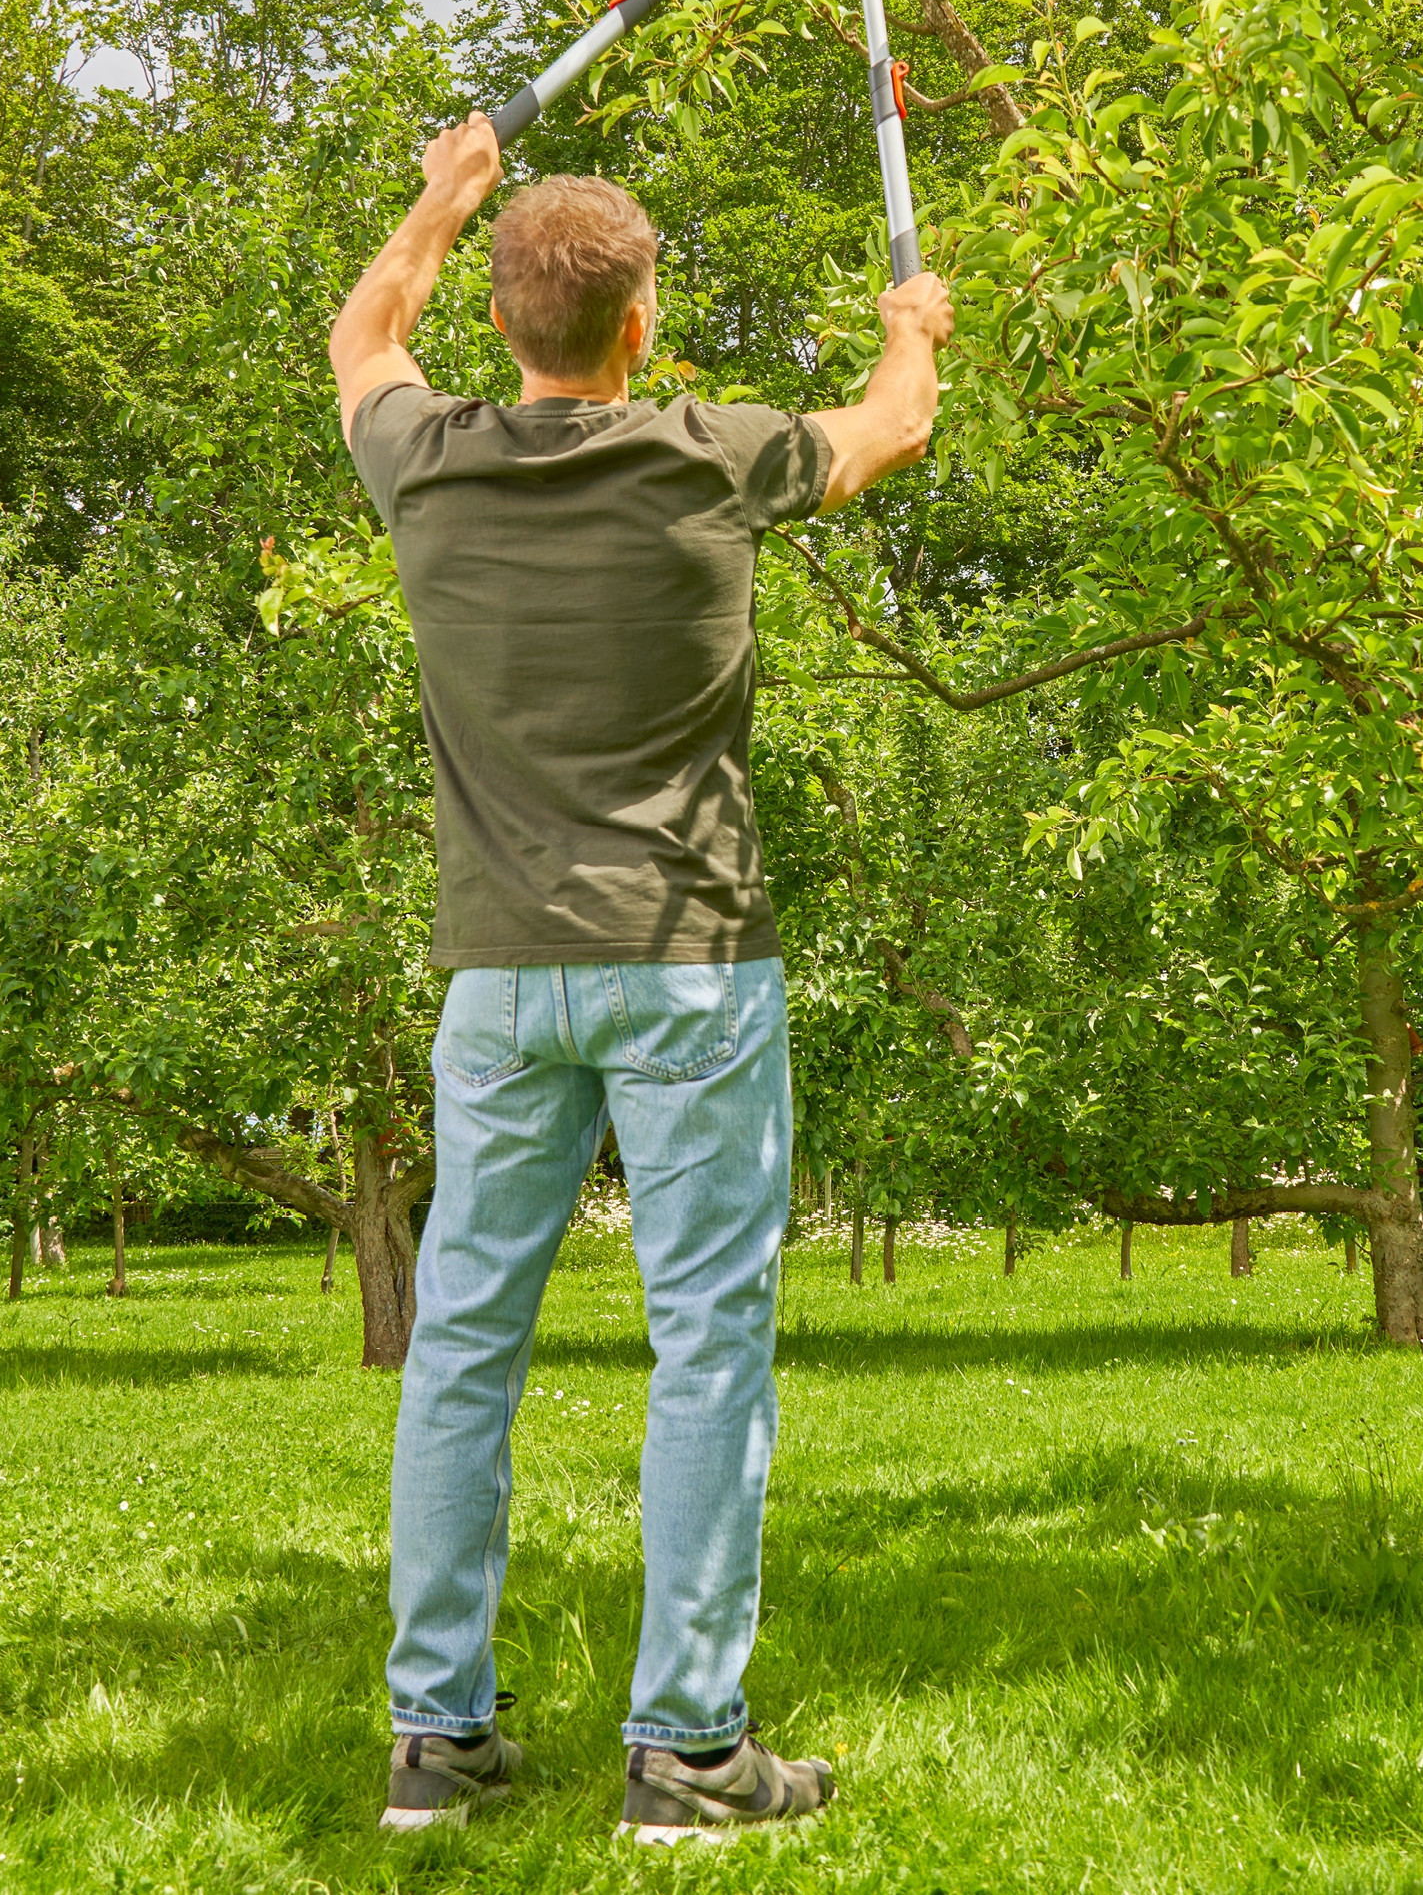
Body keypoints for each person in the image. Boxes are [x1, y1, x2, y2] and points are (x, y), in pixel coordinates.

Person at [327, 113, 953, 1838]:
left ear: (512, 317)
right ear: (638, 324)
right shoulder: (711, 456)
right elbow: (897, 426)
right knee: (708, 1355)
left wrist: (442, 201)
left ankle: (435, 1746)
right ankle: (686, 1757)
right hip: (688, 968)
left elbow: (363, 333)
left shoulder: (423, 461)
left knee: (461, 1347)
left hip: (503, 983)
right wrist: (911, 326)